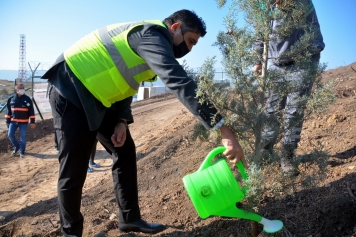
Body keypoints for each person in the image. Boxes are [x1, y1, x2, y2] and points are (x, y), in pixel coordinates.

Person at [41, 9, 247, 237]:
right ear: (175, 27)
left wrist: (121, 119)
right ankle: (71, 234)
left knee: (125, 150)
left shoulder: (154, 45)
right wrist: (224, 130)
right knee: (74, 169)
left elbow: (128, 79)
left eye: (194, 45)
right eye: (189, 41)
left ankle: (130, 219)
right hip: (71, 87)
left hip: (100, 97)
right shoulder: (152, 36)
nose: (188, 49)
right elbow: (179, 82)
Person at [254, 0, 325, 175]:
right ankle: (266, 150)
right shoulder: (264, 6)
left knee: (294, 111)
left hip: (302, 62)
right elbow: (259, 34)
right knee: (272, 109)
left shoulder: (302, 3)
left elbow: (312, 36)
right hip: (275, 63)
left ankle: (287, 155)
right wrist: (257, 60)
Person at [5, 83, 36, 158]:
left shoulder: (27, 99)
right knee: (10, 134)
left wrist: (32, 121)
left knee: (23, 137)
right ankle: (17, 146)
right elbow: (8, 111)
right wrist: (7, 121)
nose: (22, 89)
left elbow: (31, 111)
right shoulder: (11, 99)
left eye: (23, 88)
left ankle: (22, 151)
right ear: (16, 90)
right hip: (13, 122)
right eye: (20, 88)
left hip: (24, 122)